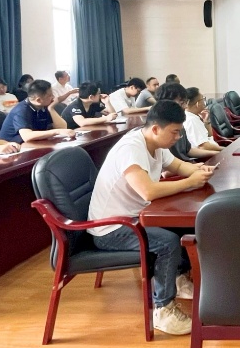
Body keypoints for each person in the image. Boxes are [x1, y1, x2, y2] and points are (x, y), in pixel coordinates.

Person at [88, 100, 215, 335]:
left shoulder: (155, 144)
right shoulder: (131, 149)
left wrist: (200, 171)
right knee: (166, 242)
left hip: (135, 218)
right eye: (174, 132)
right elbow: (148, 191)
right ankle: (163, 310)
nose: (178, 137)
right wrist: (189, 182)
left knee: (185, 226)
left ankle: (178, 280)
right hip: (111, 228)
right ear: (156, 128)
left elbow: (179, 166)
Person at [0, 79, 75, 144]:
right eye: (50, 95)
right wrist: (56, 132)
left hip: (33, 143)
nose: (53, 97)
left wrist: (51, 108)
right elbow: (27, 136)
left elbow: (63, 127)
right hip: (12, 147)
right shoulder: (21, 110)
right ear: (38, 100)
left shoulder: (44, 106)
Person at [156, 82, 218, 161]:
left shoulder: (179, 121)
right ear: (167, 102)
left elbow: (188, 150)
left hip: (187, 164)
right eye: (182, 103)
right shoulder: (161, 128)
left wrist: (216, 153)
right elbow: (171, 165)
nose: (185, 106)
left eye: (185, 102)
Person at [184, 87, 224, 154]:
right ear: (197, 104)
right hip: (208, 156)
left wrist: (206, 122)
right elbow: (204, 147)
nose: (204, 102)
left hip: (213, 150)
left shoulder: (194, 116)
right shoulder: (192, 121)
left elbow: (209, 136)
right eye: (203, 99)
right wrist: (225, 149)